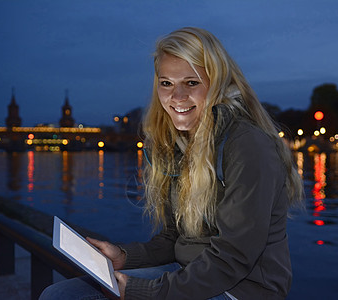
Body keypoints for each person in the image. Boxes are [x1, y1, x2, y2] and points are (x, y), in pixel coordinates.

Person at [40, 27, 304, 300]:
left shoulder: (247, 144)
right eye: (166, 83)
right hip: (189, 273)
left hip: (241, 289)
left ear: (217, 82)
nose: (176, 97)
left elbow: (234, 257)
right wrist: (123, 257)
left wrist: (143, 291)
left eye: (191, 83)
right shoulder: (171, 145)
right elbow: (174, 239)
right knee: (59, 295)